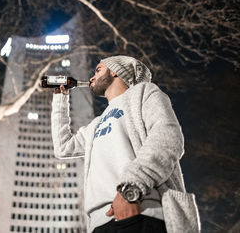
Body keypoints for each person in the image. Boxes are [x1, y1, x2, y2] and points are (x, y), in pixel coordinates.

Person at [51, 55, 200, 233]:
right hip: (98, 223)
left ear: (115, 71)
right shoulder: (96, 124)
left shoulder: (143, 93)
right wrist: (60, 99)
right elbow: (63, 147)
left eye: (98, 70)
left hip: (138, 209)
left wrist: (130, 191)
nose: (91, 77)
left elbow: (168, 138)